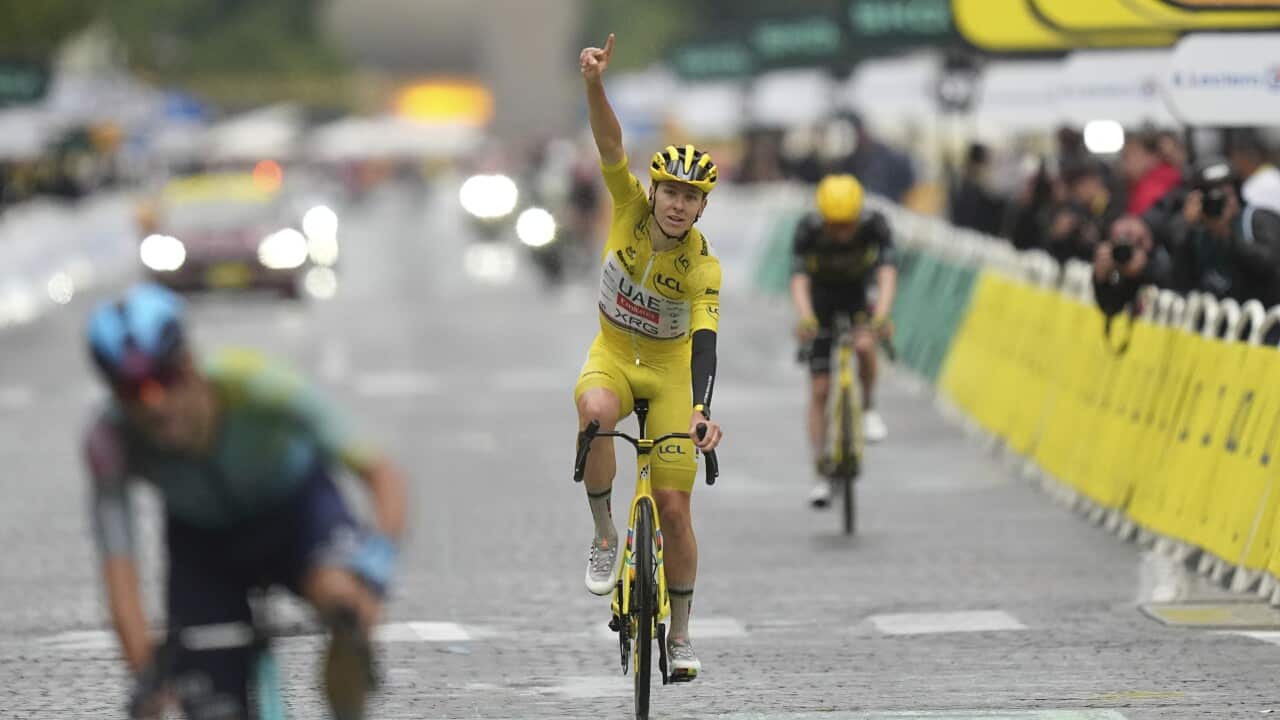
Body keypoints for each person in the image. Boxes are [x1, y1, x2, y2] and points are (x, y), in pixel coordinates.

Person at [82, 282, 409, 720]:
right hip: (205, 547)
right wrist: (146, 675)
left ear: (191, 363)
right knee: (210, 705)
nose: (155, 404)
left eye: (166, 379)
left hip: (298, 515)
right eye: (130, 391)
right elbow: (119, 574)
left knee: (343, 604)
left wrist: (378, 560)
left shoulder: (256, 384)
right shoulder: (109, 442)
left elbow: (379, 472)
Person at [573, 32, 724, 682]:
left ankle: (683, 636)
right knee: (596, 412)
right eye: (672, 193)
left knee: (675, 510)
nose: (678, 205)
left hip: (667, 378)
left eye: (691, 198)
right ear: (656, 191)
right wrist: (593, 84)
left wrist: (701, 411)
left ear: (700, 206)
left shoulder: (701, 265)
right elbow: (610, 145)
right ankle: (606, 532)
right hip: (612, 356)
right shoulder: (629, 207)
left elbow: (707, 340)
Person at [791, 174, 897, 508]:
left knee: (865, 345)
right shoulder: (807, 228)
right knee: (820, 389)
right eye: (833, 227)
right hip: (821, 300)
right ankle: (821, 472)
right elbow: (798, 279)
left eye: (846, 226)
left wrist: (881, 315)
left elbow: (887, 274)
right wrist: (806, 317)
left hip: (857, 295)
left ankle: (867, 407)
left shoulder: (875, 224)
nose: (840, 234)